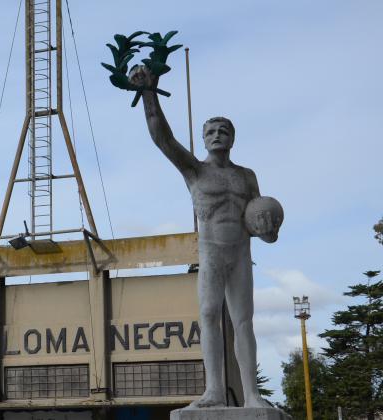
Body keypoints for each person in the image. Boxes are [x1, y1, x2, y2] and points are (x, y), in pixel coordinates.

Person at [129, 64, 281, 408]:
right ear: (203, 138)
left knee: (244, 321)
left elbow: (258, 224)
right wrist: (149, 95)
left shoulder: (247, 176)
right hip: (211, 250)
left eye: (223, 130)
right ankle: (214, 391)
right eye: (211, 130)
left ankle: (252, 395)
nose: (217, 134)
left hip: (240, 252)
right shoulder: (195, 171)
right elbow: (162, 139)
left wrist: (270, 232)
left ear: (232, 137)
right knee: (210, 314)